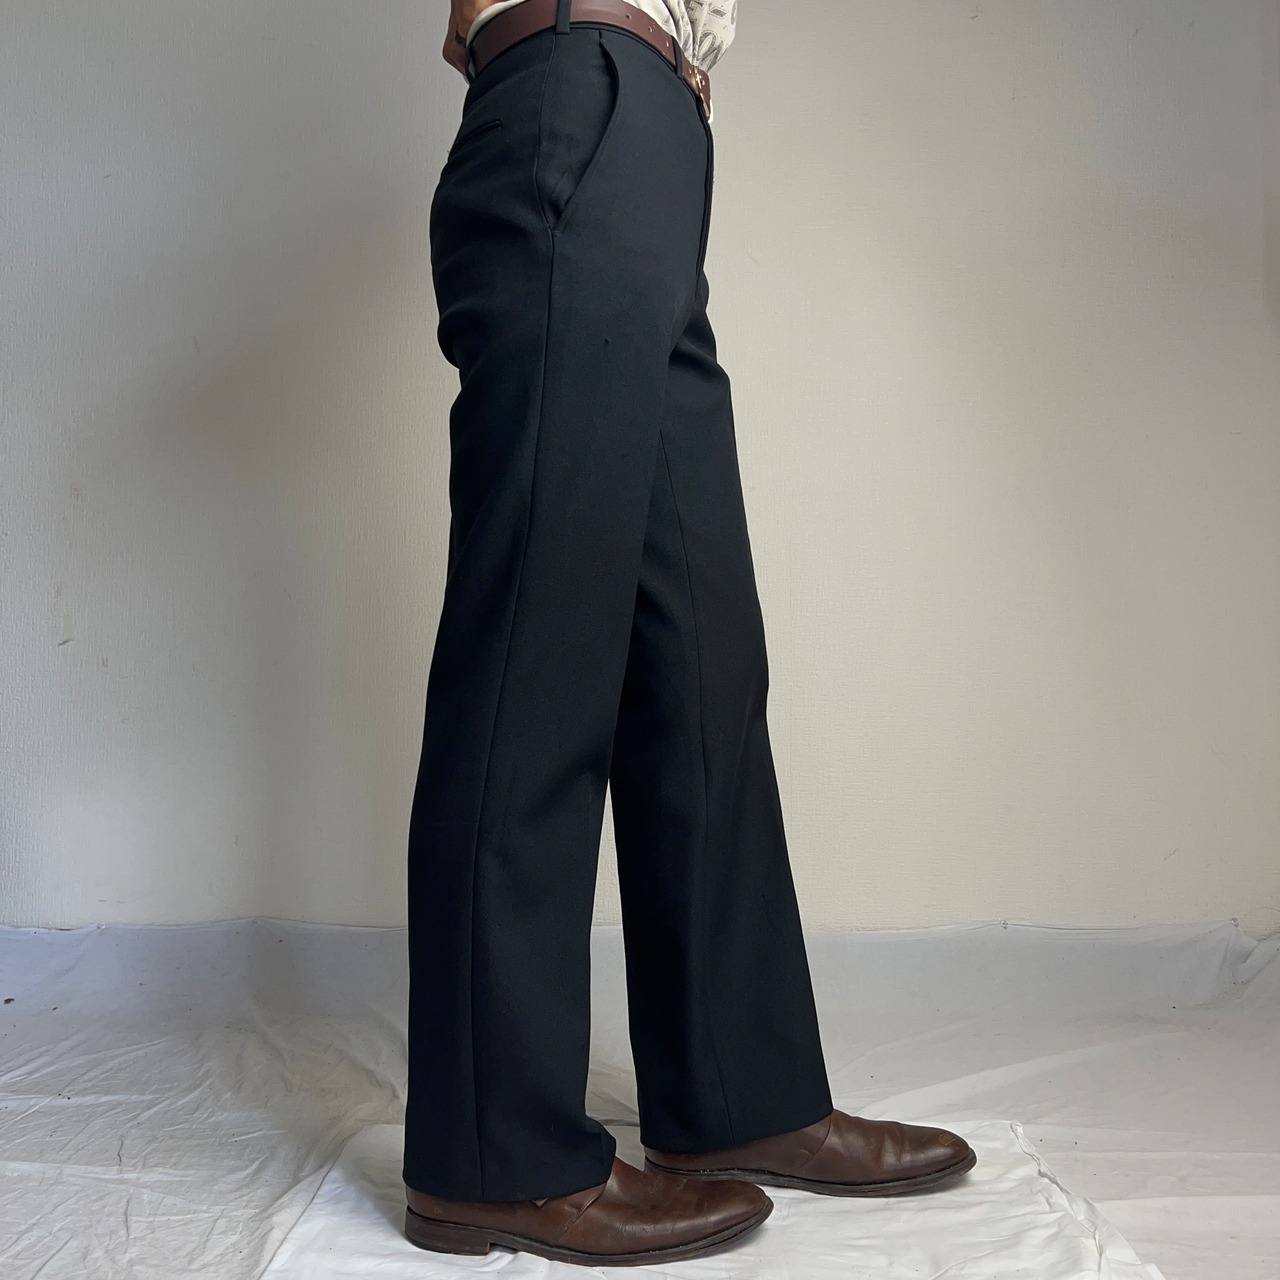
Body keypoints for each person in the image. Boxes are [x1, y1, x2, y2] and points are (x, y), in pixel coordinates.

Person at [401, 0, 977, 1265]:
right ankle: (491, 1155)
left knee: (699, 661)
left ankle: (736, 1093)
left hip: (652, 129)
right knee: (538, 647)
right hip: (576, 82)